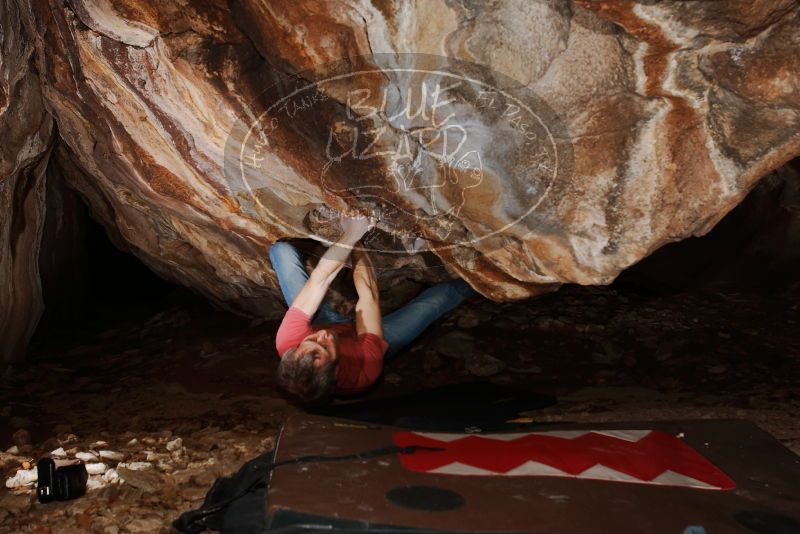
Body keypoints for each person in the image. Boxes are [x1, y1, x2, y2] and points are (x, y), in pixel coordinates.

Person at [269, 215, 475, 405]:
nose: (320, 336)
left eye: (311, 340)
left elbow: (320, 280)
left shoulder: (288, 342)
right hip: (373, 338)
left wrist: (350, 233)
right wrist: (358, 240)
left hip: (323, 319)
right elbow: (368, 294)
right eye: (323, 346)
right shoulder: (365, 367)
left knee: (280, 252)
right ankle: (482, 282)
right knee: (440, 298)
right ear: (337, 366)